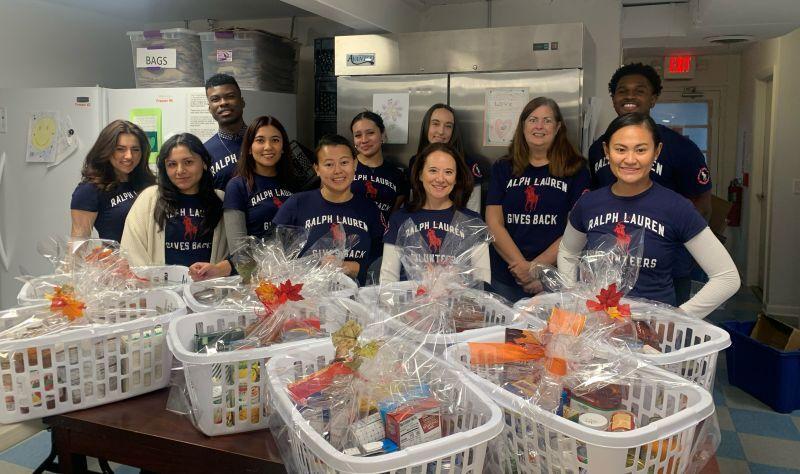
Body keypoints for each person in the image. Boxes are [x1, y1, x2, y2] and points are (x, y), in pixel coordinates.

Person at [559, 113, 739, 318]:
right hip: (597, 329)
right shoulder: (589, 204)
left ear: (657, 152)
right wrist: (571, 297)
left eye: (641, 150)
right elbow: (567, 251)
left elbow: (727, 277)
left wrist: (678, 318)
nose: (630, 159)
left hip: (651, 335)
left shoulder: (676, 207)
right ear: (606, 152)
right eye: (620, 149)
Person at [587, 63, 712, 304]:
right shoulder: (598, 149)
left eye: (640, 90)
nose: (630, 96)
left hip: (668, 270)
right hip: (610, 269)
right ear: (613, 98)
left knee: (664, 335)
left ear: (653, 99)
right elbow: (595, 201)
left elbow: (703, 206)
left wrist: (682, 254)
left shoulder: (681, 148)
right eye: (622, 91)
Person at [486, 97, 590, 302]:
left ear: (558, 126)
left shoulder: (577, 170)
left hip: (555, 277)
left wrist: (537, 268)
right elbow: (493, 222)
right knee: (501, 333)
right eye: (533, 119)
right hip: (506, 276)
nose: (539, 126)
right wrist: (522, 269)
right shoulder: (503, 167)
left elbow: (576, 228)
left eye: (547, 121)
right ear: (523, 125)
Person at [273, 134, 384, 284]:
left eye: (344, 162)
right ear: (317, 169)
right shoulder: (296, 204)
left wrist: (348, 267)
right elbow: (274, 254)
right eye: (329, 164)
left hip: (360, 299)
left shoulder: (369, 208)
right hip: (308, 298)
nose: (338, 170)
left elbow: (381, 260)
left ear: (355, 164)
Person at [121, 133, 231, 280]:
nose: (180, 171)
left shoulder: (221, 200)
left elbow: (233, 253)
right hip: (161, 295)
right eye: (172, 164)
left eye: (188, 162)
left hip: (208, 295)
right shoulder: (149, 199)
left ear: (204, 163)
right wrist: (153, 289)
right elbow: (132, 251)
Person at [381, 142, 489, 284]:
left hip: (457, 305)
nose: (440, 178)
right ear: (420, 174)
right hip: (409, 304)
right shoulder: (399, 219)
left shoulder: (473, 221)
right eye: (433, 170)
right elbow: (387, 279)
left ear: (456, 178)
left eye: (448, 172)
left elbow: (482, 282)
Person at [70, 120, 156, 243]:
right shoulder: (89, 190)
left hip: (156, 261)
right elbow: (77, 246)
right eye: (120, 149)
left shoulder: (149, 183)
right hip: (118, 261)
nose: (129, 156)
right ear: (106, 150)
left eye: (135, 149)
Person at [223, 116, 296, 251]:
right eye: (260, 140)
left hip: (294, 268)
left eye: (275, 140)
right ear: (249, 148)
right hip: (256, 270)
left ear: (283, 147)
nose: (268, 147)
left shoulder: (295, 183)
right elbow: (238, 250)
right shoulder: (236, 186)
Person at [410, 104, 483, 212]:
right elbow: (414, 202)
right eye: (435, 123)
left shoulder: (469, 165)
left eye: (448, 126)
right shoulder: (415, 161)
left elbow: (474, 211)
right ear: (426, 126)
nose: (441, 131)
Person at [349, 111, 408, 222]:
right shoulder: (343, 169)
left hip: (381, 238)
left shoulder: (397, 175)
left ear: (382, 134)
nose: (364, 140)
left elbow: (393, 219)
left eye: (370, 133)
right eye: (358, 135)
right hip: (349, 237)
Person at [203, 73, 247, 191]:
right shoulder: (203, 152)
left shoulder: (264, 141)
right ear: (209, 108)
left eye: (230, 96)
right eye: (215, 99)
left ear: (242, 102)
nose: (223, 103)